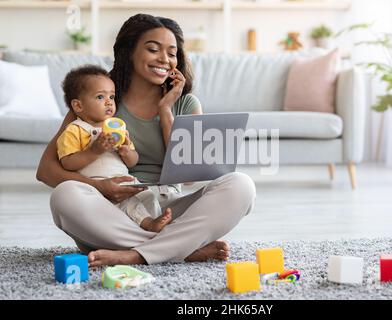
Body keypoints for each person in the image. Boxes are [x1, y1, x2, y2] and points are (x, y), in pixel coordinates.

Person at [36, 14, 256, 267]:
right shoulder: (97, 102)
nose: (164, 59)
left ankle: (136, 254)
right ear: (129, 52)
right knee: (65, 195)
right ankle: (179, 249)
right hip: (112, 214)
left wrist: (166, 111)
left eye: (172, 53)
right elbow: (46, 170)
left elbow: (189, 177)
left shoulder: (186, 103)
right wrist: (101, 187)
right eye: (153, 49)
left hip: (169, 209)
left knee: (241, 185)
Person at [57, 65, 172, 233]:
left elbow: (133, 161)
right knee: (127, 204)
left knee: (147, 196)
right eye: (100, 97)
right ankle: (148, 225)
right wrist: (93, 151)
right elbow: (67, 162)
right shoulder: (75, 130)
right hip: (98, 185)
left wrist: (127, 152)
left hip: (124, 179)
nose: (109, 101)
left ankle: (154, 226)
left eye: (112, 96)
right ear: (78, 106)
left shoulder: (117, 128)